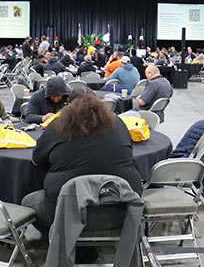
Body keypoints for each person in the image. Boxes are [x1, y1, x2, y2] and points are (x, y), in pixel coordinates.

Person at [21, 91, 142, 230]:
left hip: (66, 210)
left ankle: (57, 235)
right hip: (123, 208)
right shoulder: (119, 123)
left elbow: (36, 162)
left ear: (68, 106)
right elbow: (128, 152)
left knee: (28, 201)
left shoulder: (56, 126)